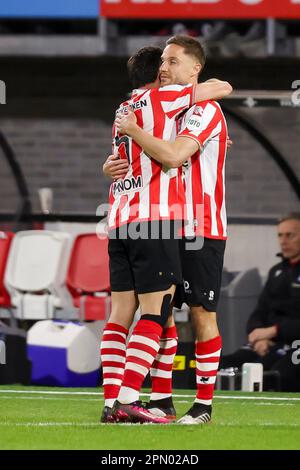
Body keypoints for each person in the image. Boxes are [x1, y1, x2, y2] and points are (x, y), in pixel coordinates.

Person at [100, 44, 232, 424]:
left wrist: (132, 133)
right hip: (163, 222)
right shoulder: (166, 105)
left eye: (174, 61)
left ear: (195, 69)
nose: (166, 67)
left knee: (202, 315)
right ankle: (160, 398)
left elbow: (175, 155)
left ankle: (203, 406)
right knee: (164, 315)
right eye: (163, 61)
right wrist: (111, 164)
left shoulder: (202, 108)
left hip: (201, 223)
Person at [220, 213, 300, 392]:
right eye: (280, 235)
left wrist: (274, 331)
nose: (283, 241)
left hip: (293, 342)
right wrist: (258, 338)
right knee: (226, 364)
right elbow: (259, 312)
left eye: (290, 235)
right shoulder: (276, 271)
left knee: (276, 373)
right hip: (269, 341)